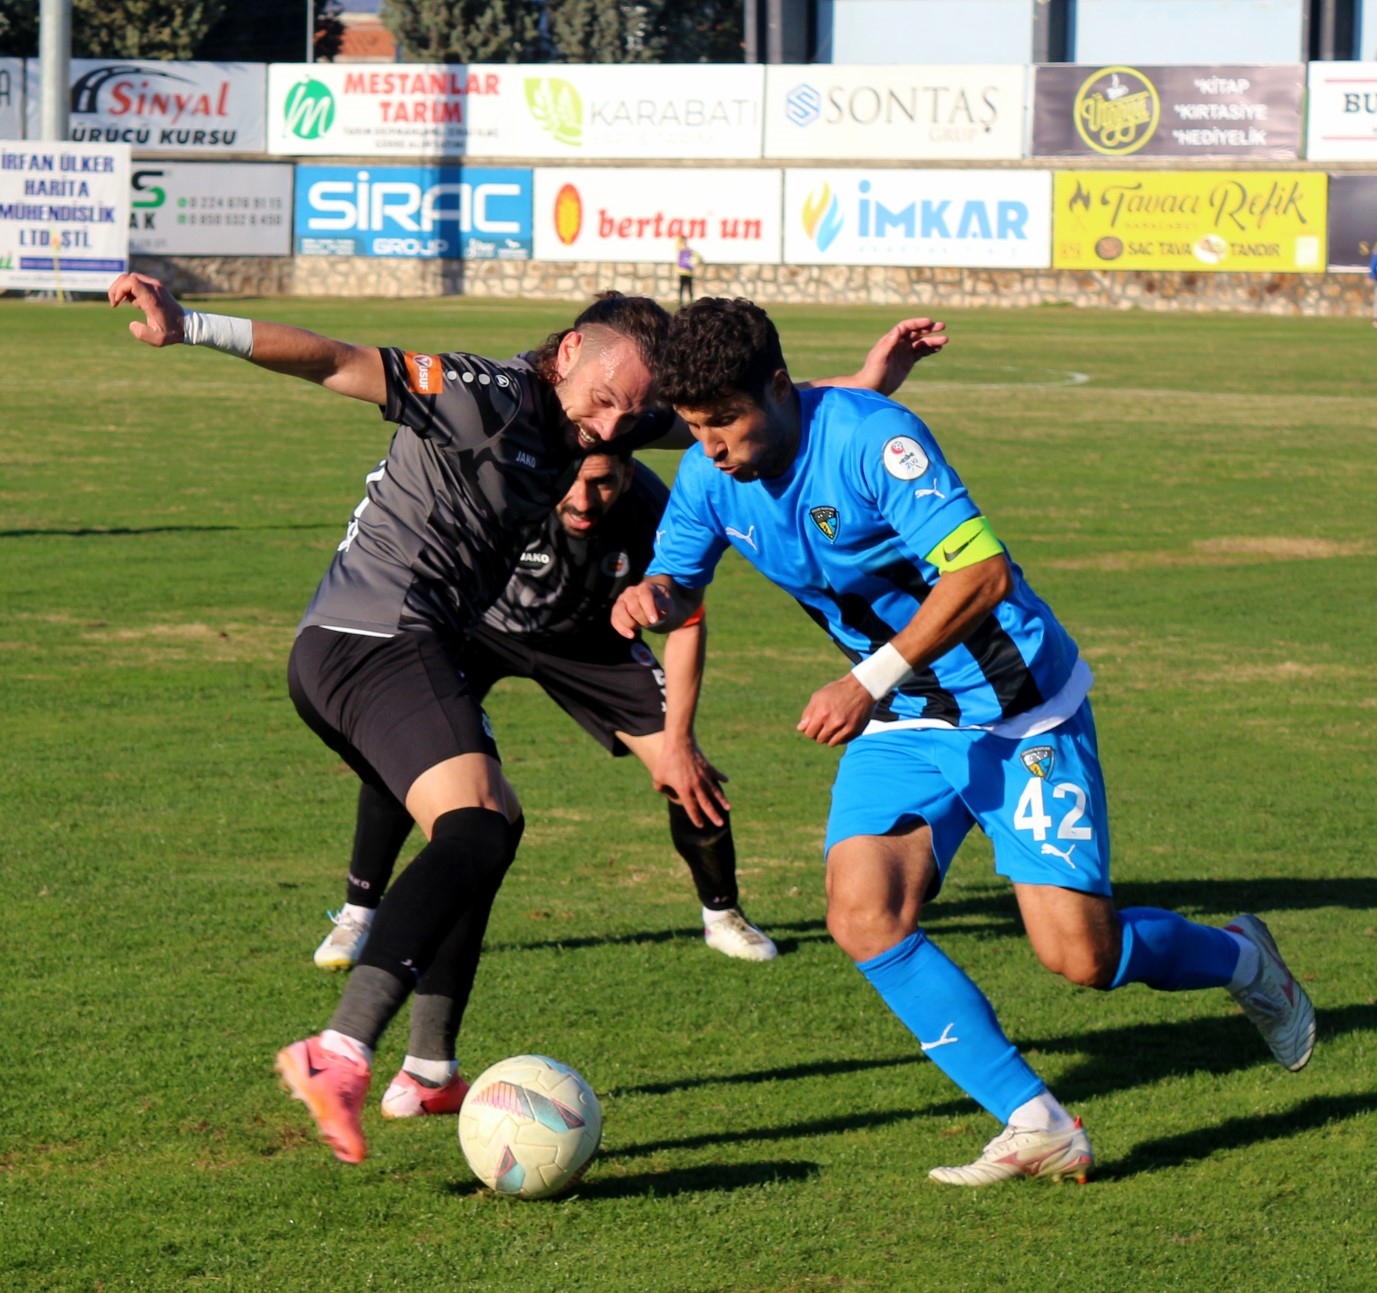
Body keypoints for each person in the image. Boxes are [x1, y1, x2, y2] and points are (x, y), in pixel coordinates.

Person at [108, 270, 948, 1163]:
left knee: (490, 826)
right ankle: (340, 1049)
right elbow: (335, 360)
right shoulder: (487, 392)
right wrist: (185, 324)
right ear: (572, 348)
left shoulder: (617, 410)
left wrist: (867, 382)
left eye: (631, 416)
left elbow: (737, 409)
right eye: (603, 403)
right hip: (372, 636)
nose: (611, 427)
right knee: (473, 829)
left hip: (396, 643)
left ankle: (427, 1070)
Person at [612, 297, 1315, 1188]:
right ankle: (1038, 1122)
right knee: (862, 914)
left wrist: (863, 681)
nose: (708, 445)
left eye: (724, 421)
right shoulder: (712, 477)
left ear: (778, 389)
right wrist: (652, 599)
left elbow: (980, 573)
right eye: (692, 426)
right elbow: (678, 577)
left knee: (1080, 958)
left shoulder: (875, 440)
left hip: (1017, 706)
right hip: (907, 718)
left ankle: (1243, 958)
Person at [314, 445, 780, 1008]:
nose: (583, 502)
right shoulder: (516, 487)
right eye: (573, 484)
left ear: (629, 472)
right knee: (407, 756)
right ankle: (360, 913)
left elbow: (687, 621)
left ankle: (722, 913)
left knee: (689, 774)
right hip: (479, 630)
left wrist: (679, 741)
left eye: (603, 484)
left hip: (596, 647)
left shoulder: (658, 509)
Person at [675, 235, 699, 310]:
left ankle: (691, 302)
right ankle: (680, 302)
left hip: (689, 273)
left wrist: (695, 262)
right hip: (682, 273)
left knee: (689, 288)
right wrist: (681, 238)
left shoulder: (690, 251)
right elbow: (677, 243)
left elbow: (698, 257)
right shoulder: (679, 250)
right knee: (681, 288)